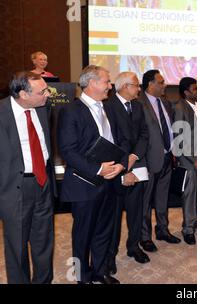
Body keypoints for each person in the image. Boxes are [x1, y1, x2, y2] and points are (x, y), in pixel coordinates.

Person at [58, 65, 127, 284]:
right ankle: (81, 276)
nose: (110, 86)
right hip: (84, 183)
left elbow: (119, 142)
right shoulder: (71, 110)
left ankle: (100, 271)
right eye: (107, 81)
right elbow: (68, 150)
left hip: (110, 182)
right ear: (93, 83)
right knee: (82, 235)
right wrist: (98, 169)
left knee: (104, 231)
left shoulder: (108, 108)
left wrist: (120, 166)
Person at [0, 71, 55, 284]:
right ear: (23, 94)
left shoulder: (42, 108)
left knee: (44, 240)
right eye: (42, 91)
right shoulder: (2, 112)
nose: (48, 94)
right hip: (14, 188)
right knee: (17, 245)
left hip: (43, 183)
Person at [104, 72, 150, 276]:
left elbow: (144, 134)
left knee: (136, 211)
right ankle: (109, 256)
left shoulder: (138, 106)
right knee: (113, 217)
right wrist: (125, 166)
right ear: (124, 87)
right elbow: (109, 141)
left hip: (136, 163)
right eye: (136, 85)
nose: (139, 89)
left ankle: (133, 246)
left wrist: (134, 156)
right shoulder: (107, 106)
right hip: (116, 170)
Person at [138, 69, 181, 252]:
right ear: (150, 84)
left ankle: (163, 230)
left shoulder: (165, 103)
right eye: (161, 82)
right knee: (145, 202)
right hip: (148, 160)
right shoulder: (139, 103)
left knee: (163, 198)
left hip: (167, 157)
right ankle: (145, 237)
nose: (165, 85)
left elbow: (169, 129)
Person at [173, 77, 197, 245]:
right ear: (186, 92)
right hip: (189, 158)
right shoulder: (180, 107)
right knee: (190, 193)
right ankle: (187, 229)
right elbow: (180, 137)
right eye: (195, 89)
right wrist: (193, 159)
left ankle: (193, 220)